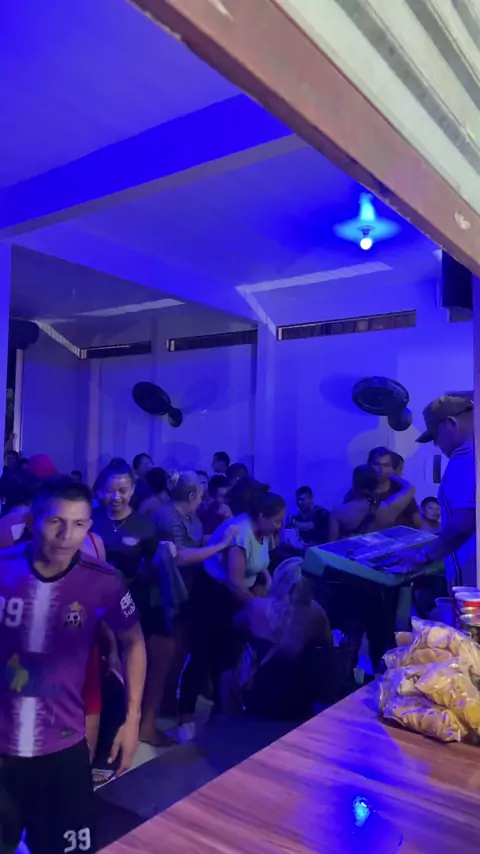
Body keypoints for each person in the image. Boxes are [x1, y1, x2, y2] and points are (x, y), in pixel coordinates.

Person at [0, 477, 146, 854]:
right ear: (32, 521)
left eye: (78, 524)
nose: (67, 536)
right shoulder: (3, 568)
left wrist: (132, 720)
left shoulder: (104, 581)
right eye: (55, 522)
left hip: (62, 749)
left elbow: (134, 642)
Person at [177, 492, 286, 740]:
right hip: (213, 597)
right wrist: (260, 609)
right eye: (277, 520)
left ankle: (221, 714)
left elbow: (260, 566)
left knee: (228, 657)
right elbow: (235, 583)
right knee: (203, 656)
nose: (280, 525)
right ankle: (185, 716)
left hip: (238, 599)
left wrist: (266, 584)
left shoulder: (265, 533)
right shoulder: (240, 532)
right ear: (261, 516)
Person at [91, 461, 169, 746]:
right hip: (90, 607)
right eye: (110, 490)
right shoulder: (89, 520)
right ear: (101, 491)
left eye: (122, 491)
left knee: (127, 667)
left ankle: (124, 725)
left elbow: (154, 571)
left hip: (131, 605)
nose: (116, 497)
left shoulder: (145, 527)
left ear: (133, 490)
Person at [231, 558, 332, 719]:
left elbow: (235, 625)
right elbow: (328, 648)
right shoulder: (318, 614)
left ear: (278, 581)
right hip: (299, 703)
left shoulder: (255, 607)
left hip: (257, 698)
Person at [394, 395, 476, 588]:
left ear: (451, 424)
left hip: (471, 586)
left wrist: (422, 555)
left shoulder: (464, 459)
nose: (437, 445)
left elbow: (465, 521)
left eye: (436, 437)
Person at [333, 465, 417, 538]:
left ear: (355, 484)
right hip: (381, 550)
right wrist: (391, 475)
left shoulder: (338, 512)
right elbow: (410, 488)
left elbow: (330, 546)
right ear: (376, 486)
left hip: (354, 551)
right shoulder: (386, 509)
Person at [352, 447, 421, 529]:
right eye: (377, 464)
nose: (381, 470)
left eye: (386, 465)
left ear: (392, 468)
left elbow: (417, 523)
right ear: (369, 465)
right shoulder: (360, 490)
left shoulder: (401, 490)